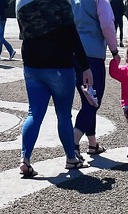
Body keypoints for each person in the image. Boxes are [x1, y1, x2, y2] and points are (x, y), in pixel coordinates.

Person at [16, 0, 92, 175]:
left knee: (34, 113)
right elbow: (72, 34)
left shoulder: (21, 3)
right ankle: (71, 158)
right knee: (64, 115)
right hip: (59, 64)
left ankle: (25, 159)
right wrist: (85, 66)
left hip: (32, 64)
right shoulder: (60, 3)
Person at [71, 0, 119, 158]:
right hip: (93, 53)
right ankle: (73, 142)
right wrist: (114, 50)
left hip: (74, 53)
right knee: (93, 101)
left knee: (87, 100)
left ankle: (92, 143)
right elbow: (107, 24)